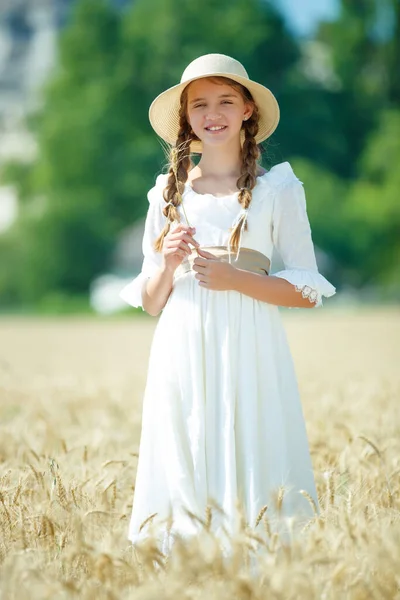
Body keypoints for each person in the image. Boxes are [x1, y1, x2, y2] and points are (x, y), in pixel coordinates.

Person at [120, 53, 336, 555]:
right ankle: (186, 560)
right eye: (199, 105)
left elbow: (306, 292)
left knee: (252, 434)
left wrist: (235, 278)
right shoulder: (167, 194)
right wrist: (169, 264)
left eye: (224, 101)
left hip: (251, 340)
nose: (211, 113)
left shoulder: (277, 188)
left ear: (247, 112)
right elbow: (152, 303)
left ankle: (259, 557)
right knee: (186, 437)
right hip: (183, 342)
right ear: (186, 118)